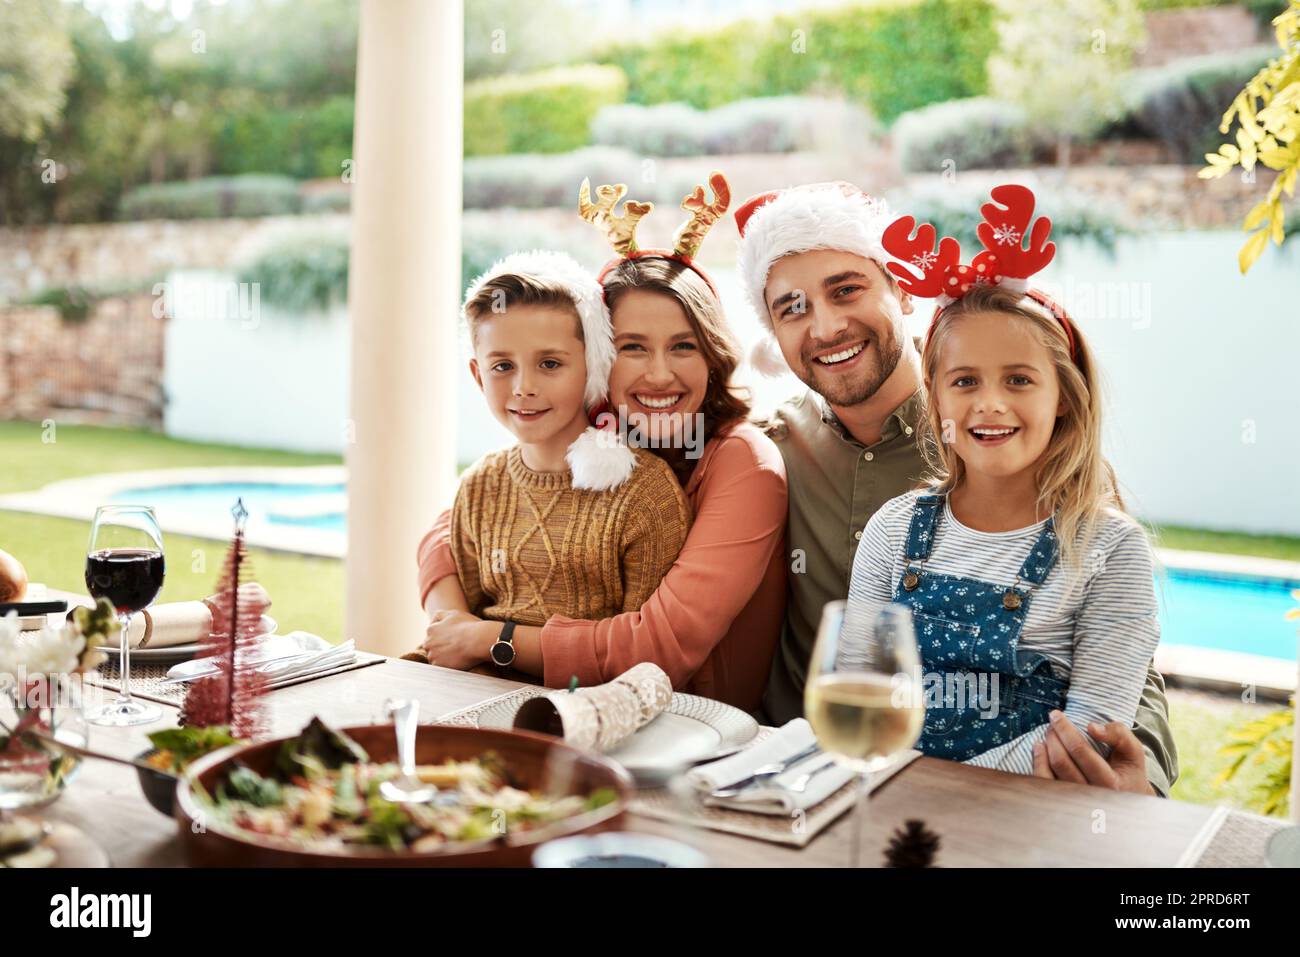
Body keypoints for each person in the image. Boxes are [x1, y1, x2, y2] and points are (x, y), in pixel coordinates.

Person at [734, 180, 1178, 795]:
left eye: (847, 289)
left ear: (899, 292)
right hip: (838, 781)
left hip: (1021, 804)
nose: (827, 325)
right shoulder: (765, 452)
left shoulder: (1010, 443)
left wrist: (1129, 776)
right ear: (774, 336)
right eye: (793, 307)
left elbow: (1116, 667)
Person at [416, 174, 788, 711]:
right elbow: (444, 533)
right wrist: (449, 622)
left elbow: (657, 646)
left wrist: (488, 641)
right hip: (538, 708)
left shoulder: (742, 461)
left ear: (712, 353)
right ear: (599, 357)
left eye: (684, 346)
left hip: (694, 729)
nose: (660, 375)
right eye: (634, 347)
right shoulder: (591, 435)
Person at [845, 184, 1161, 773]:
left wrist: (949, 787)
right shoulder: (893, 529)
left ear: (1065, 396)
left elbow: (1086, 737)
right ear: (933, 395)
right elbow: (858, 693)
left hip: (1024, 826)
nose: (989, 404)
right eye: (964, 381)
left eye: (1018, 379)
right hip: (893, 809)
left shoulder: (1111, 551)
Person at [412, 249, 690, 675]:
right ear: (477, 375)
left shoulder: (645, 493)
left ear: (592, 365)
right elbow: (457, 633)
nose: (524, 387)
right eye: (502, 366)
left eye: (550, 364)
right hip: (470, 696)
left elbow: (641, 656)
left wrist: (490, 644)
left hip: (586, 711)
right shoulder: (480, 484)